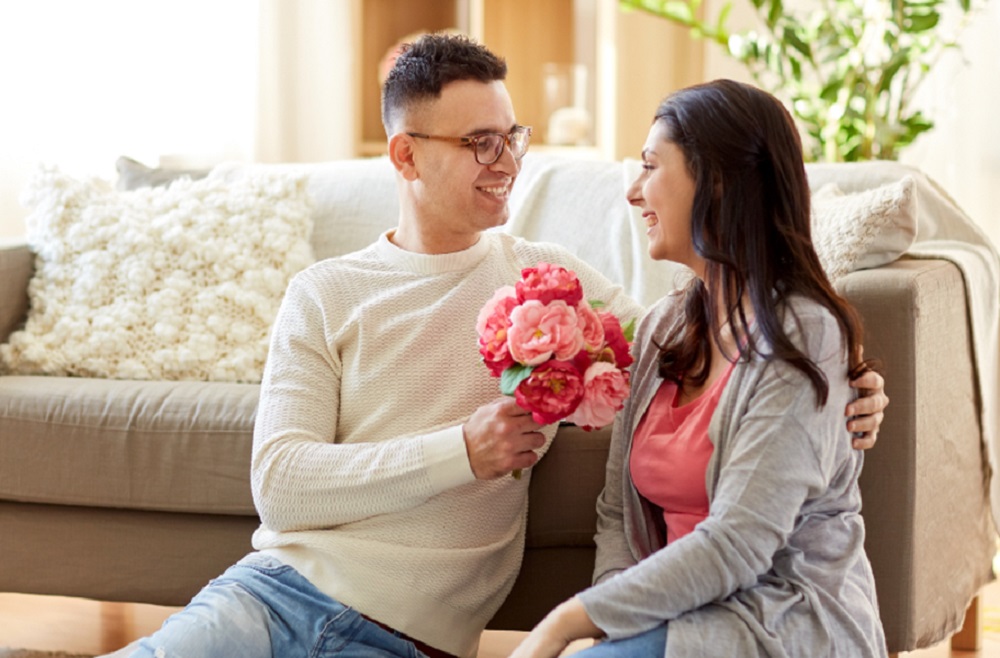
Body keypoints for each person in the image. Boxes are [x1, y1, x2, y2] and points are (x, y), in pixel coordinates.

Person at [110, 37, 886, 658]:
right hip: (271, 596)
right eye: (480, 143)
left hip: (416, 642)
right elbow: (280, 484)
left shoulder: (553, 287)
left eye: (510, 137)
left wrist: (851, 391)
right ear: (406, 156)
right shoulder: (324, 293)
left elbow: (732, 352)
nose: (508, 162)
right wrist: (463, 451)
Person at [509, 79, 888, 658]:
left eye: (649, 166)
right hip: (680, 620)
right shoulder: (667, 327)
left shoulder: (802, 335)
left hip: (779, 623)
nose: (634, 193)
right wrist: (616, 625)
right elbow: (617, 513)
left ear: (715, 180)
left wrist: (568, 623)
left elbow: (739, 543)